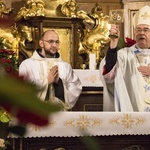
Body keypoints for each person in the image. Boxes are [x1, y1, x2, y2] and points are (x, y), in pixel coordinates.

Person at [99, 5, 150, 112]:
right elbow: (109, 74)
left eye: (146, 30)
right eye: (138, 29)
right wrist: (113, 43)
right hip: (133, 110)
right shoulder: (125, 54)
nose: (141, 33)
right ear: (134, 33)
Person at [19, 29, 82, 110]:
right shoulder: (27, 64)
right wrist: (47, 82)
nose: (54, 45)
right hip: (37, 113)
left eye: (57, 42)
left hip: (60, 113)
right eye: (50, 41)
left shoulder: (65, 66)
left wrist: (59, 83)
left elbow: (75, 87)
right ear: (41, 43)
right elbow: (24, 89)